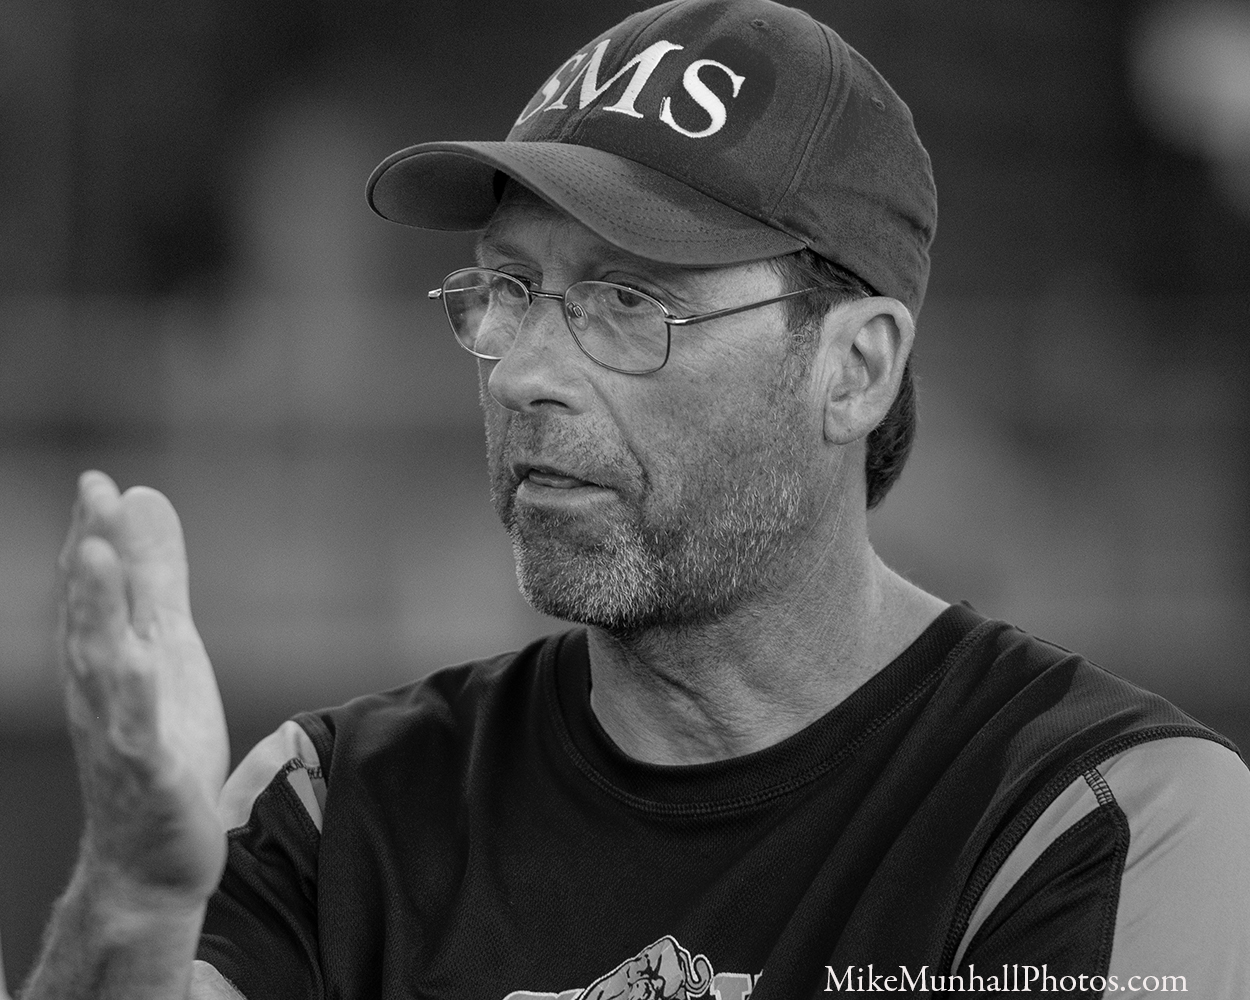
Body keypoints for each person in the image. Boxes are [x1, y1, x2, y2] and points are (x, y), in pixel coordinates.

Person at [12, 1, 1250, 997]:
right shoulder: (336, 808)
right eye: (508, 291)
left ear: (853, 368)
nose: (526, 372)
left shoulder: (1098, 815)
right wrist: (131, 899)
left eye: (627, 301)